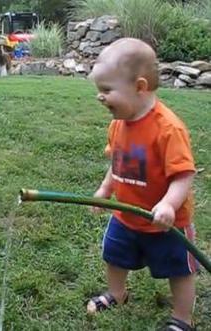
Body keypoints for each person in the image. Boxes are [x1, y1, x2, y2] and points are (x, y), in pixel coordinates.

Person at [87, 37, 198, 331]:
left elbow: (183, 175)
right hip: (125, 215)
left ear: (139, 87)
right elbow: (117, 163)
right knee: (114, 256)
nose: (100, 98)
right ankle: (117, 293)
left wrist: (168, 205)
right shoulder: (118, 124)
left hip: (166, 222)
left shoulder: (168, 128)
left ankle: (182, 319)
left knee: (179, 271)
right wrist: (105, 189)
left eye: (107, 90)